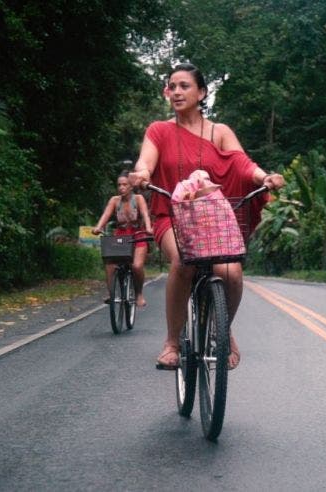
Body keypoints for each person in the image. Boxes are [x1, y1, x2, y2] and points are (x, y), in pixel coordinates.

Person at [128, 63, 286, 370]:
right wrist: (141, 174)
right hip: (172, 216)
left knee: (233, 274)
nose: (176, 92)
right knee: (183, 261)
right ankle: (172, 342)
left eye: (184, 86)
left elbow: (243, 164)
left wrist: (264, 177)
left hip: (213, 220)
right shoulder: (158, 130)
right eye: (172, 86)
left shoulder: (220, 132)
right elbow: (145, 163)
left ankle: (222, 330)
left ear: (201, 93)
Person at [91, 170, 153, 308]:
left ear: (131, 186)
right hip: (121, 237)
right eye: (119, 185)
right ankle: (112, 293)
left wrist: (148, 228)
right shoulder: (114, 200)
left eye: (125, 184)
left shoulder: (138, 199)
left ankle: (139, 294)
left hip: (137, 236)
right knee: (109, 263)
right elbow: (105, 215)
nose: (121, 188)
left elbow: (145, 215)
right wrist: (98, 227)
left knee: (136, 266)